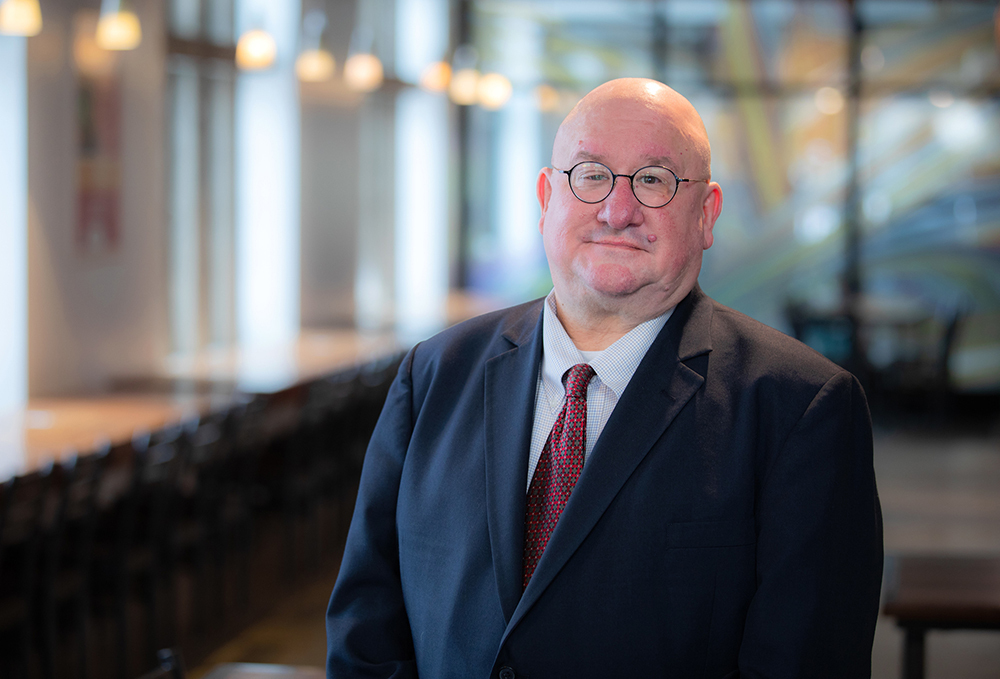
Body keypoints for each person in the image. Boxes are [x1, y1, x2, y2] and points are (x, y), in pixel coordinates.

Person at [326, 78, 883, 678]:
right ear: (546, 199)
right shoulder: (433, 375)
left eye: (654, 180)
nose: (618, 211)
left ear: (706, 213)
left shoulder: (801, 409)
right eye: (590, 174)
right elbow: (368, 628)